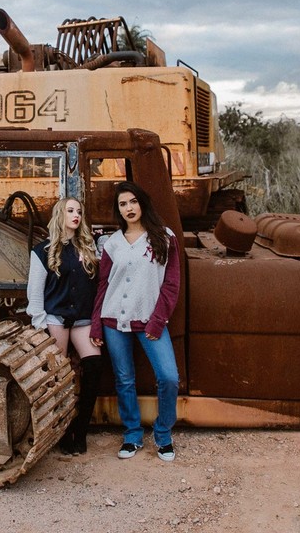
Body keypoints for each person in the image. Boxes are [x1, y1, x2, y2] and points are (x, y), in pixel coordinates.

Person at [90, 181, 181, 462]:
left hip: (150, 320)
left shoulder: (164, 238)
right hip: (113, 319)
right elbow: (103, 284)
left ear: (142, 204)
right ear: (118, 210)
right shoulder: (112, 243)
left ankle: (163, 434)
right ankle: (132, 434)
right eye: (122, 204)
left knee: (168, 377)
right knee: (124, 379)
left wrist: (158, 320)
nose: (128, 208)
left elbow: (171, 284)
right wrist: (96, 324)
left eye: (132, 202)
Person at [26, 196, 104, 455]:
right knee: (57, 376)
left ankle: (80, 432)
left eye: (79, 211)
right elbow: (35, 294)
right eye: (70, 210)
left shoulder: (89, 249)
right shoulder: (42, 251)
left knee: (93, 367)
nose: (76, 215)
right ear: (60, 215)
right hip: (55, 319)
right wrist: (41, 326)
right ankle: (59, 430)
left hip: (82, 320)